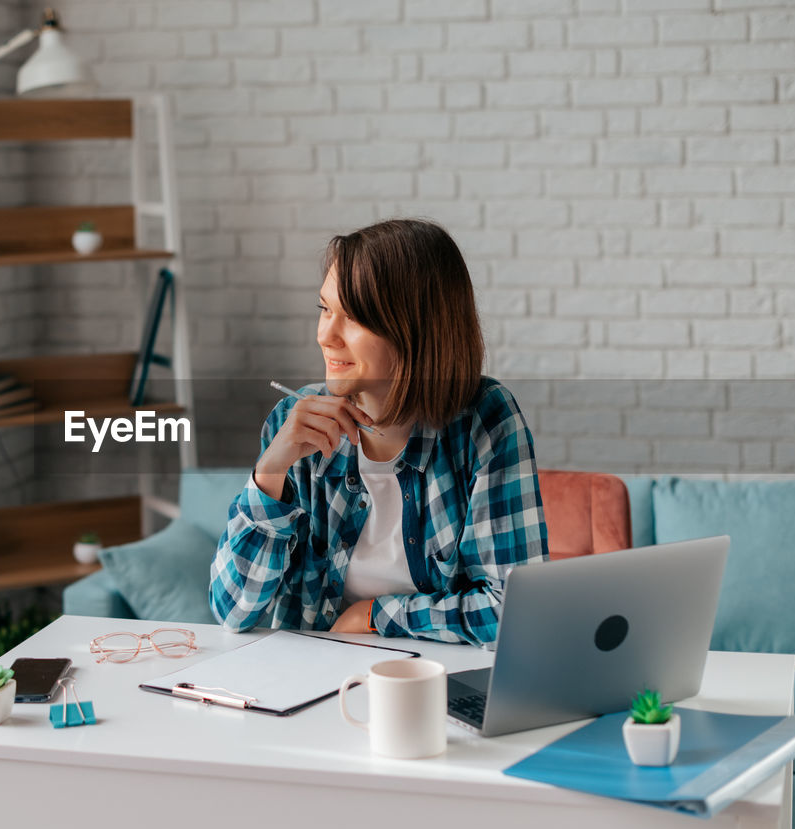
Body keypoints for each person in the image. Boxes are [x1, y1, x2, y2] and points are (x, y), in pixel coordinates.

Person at [210, 219, 550, 646]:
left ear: (415, 329)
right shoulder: (292, 426)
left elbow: (514, 613)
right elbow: (232, 612)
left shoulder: (483, 421)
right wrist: (270, 471)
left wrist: (373, 616)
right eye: (324, 309)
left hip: (431, 681)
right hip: (312, 686)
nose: (326, 336)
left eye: (352, 318)